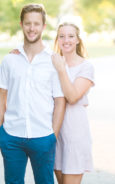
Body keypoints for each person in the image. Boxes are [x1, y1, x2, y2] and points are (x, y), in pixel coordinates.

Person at [10, 22, 95, 184]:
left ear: (78, 40)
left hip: (75, 132)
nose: (66, 40)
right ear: (57, 39)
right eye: (61, 36)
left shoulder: (86, 66)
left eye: (71, 36)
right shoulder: (50, 61)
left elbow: (72, 97)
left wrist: (61, 69)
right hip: (52, 132)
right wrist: (16, 54)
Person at [0, 3, 66, 184]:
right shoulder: (10, 60)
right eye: (27, 23)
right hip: (11, 137)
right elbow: (0, 98)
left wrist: (52, 136)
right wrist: (1, 132)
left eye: (36, 24)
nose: (32, 28)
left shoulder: (53, 61)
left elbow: (60, 102)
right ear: (21, 25)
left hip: (43, 137)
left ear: (43, 26)